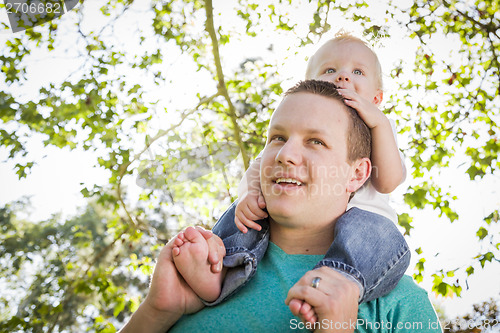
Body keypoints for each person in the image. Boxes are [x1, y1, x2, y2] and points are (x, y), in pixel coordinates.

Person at [120, 80, 441, 332]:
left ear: (357, 174)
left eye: (316, 141)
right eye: (277, 137)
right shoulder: (203, 272)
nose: (285, 154)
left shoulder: (399, 306)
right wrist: (156, 312)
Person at [172, 32, 410, 316]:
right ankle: (221, 267)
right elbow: (260, 166)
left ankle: (338, 282)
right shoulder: (292, 129)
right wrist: (250, 194)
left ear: (377, 97)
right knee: (244, 215)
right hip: (289, 210)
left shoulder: (379, 127)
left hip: (366, 229)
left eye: (357, 71)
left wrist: (380, 124)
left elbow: (388, 182)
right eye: (330, 69)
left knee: (378, 236)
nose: (343, 77)